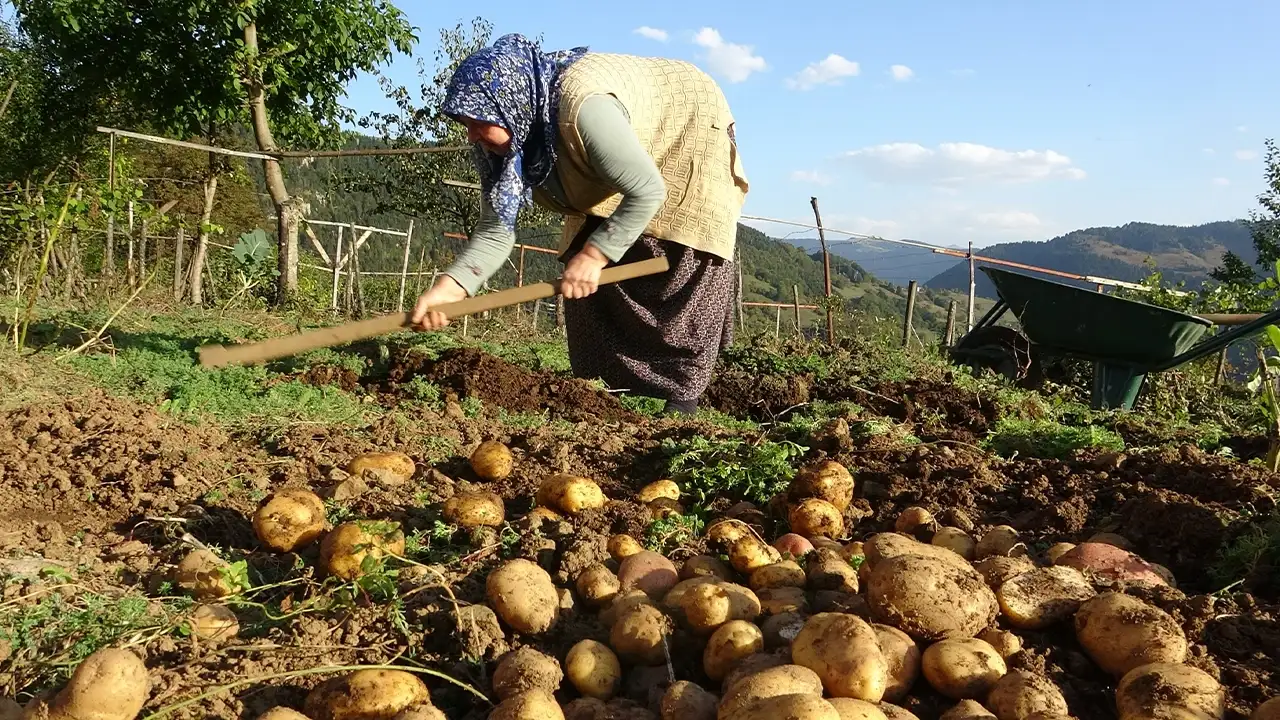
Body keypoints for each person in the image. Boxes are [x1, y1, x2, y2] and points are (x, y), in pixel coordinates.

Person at [411, 33, 749, 416]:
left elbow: (647, 190)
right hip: (610, 152)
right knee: (584, 269)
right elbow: (495, 230)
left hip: (688, 121)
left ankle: (680, 404)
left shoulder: (584, 111)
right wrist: (451, 287)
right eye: (464, 122)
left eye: (478, 122)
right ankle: (600, 395)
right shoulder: (498, 141)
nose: (471, 134)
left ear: (510, 106)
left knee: (681, 259)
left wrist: (596, 254)